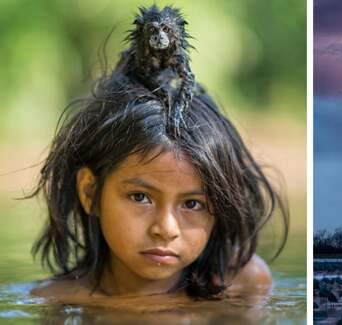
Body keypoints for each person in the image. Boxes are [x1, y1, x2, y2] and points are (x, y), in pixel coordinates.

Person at [27, 6, 288, 303]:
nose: (166, 229)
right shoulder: (58, 301)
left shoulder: (242, 285)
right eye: (140, 197)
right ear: (90, 192)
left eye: (192, 203)